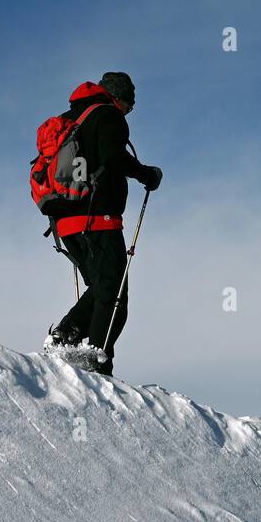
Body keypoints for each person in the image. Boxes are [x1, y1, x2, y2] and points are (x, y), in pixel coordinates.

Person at [46, 72, 162, 375]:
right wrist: (146, 174)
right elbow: (113, 157)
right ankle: (96, 358)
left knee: (101, 288)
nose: (128, 112)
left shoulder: (72, 118)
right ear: (118, 98)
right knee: (115, 296)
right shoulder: (108, 116)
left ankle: (65, 338)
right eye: (129, 105)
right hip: (97, 219)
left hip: (65, 223)